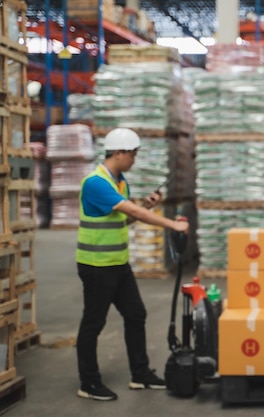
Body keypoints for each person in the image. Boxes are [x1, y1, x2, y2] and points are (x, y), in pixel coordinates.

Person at [75, 128, 189, 401]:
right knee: (93, 323)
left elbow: (124, 219)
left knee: (136, 315)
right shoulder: (96, 182)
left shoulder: (120, 183)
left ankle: (141, 375)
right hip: (96, 265)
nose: (135, 160)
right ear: (119, 153)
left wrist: (147, 207)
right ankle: (88, 383)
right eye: (133, 154)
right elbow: (131, 210)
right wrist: (171, 223)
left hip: (118, 264)